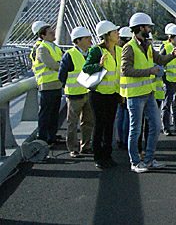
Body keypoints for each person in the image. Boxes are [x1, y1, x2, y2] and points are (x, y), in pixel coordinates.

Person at [121, 12, 176, 173]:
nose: (150, 29)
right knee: (136, 129)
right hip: (135, 95)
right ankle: (135, 162)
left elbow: (159, 60)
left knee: (155, 125)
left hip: (148, 93)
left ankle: (149, 159)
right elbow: (125, 70)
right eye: (148, 27)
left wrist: (172, 56)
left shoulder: (147, 45)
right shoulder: (129, 47)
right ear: (140, 28)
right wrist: (149, 71)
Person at [83, 20, 123, 169]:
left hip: (113, 94)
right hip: (98, 95)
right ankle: (98, 157)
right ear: (107, 35)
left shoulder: (119, 51)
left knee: (109, 126)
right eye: (115, 32)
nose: (118, 33)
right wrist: (98, 65)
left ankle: (108, 155)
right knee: (100, 125)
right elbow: (86, 68)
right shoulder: (96, 51)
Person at [58, 26, 95, 158]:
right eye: (87, 38)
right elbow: (61, 75)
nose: (90, 40)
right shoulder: (70, 55)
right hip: (74, 95)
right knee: (72, 123)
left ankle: (86, 146)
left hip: (89, 93)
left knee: (88, 122)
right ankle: (73, 148)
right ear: (78, 40)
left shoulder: (91, 52)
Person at [30, 21, 63, 146]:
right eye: (50, 32)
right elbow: (53, 65)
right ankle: (42, 138)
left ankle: (51, 136)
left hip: (56, 84)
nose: (54, 33)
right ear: (43, 35)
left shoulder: (54, 46)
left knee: (54, 112)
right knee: (46, 113)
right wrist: (62, 65)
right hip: (47, 84)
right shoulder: (42, 48)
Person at [160, 23, 176, 136]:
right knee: (166, 105)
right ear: (171, 38)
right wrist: (164, 79)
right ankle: (166, 127)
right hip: (168, 80)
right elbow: (160, 63)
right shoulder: (165, 48)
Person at [114, 26, 133, 149]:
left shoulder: (115, 50)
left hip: (116, 86)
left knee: (120, 114)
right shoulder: (127, 51)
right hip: (127, 86)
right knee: (127, 114)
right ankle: (126, 140)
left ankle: (120, 139)